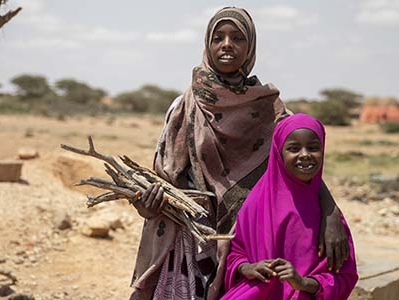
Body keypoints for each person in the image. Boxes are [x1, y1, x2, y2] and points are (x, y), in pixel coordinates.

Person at [130, 7, 349, 300]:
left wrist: (331, 213)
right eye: (218, 37)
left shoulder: (270, 110)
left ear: (251, 47)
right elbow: (163, 180)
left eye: (238, 38)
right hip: (187, 236)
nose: (227, 45)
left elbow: (299, 168)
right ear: (207, 44)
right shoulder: (183, 107)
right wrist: (147, 204)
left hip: (250, 238)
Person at [222, 113, 358, 299]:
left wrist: (303, 283)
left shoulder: (329, 218)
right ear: (279, 152)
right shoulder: (256, 202)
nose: (305, 155)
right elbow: (236, 253)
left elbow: (344, 277)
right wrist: (249, 268)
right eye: (294, 149)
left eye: (313, 148)